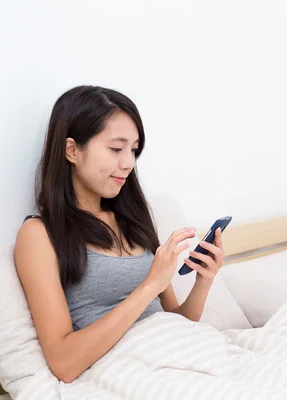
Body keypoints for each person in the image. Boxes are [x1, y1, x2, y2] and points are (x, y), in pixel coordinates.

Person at [14, 85, 225, 383]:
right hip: (128, 374)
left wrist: (204, 281)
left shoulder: (132, 220)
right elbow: (63, 362)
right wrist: (149, 286)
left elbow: (176, 325)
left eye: (134, 149)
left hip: (177, 360)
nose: (128, 162)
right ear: (72, 150)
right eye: (116, 149)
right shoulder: (39, 235)